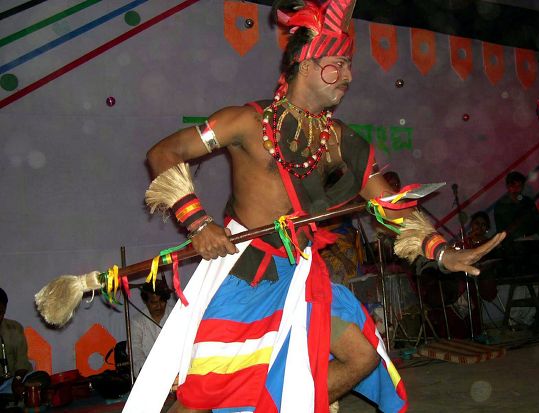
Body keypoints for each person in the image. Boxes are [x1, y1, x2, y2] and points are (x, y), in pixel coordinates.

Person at [125, 1, 505, 412]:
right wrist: (197, 224)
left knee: (362, 357)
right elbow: (164, 153)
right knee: (206, 397)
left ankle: (293, 403)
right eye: (338, 64)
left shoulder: (342, 140)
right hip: (247, 274)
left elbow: (390, 206)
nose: (348, 76)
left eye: (348, 65)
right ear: (305, 64)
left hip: (303, 277)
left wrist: (443, 252)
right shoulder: (246, 122)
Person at [131, 278, 173, 374]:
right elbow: (134, 349)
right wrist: (146, 370)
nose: (158, 306)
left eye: (162, 301)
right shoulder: (137, 321)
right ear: (145, 302)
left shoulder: (176, 314)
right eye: (154, 302)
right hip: (148, 373)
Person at [0, 287, 33, 400]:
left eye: (1, 312)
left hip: (11, 382)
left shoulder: (13, 328)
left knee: (40, 378)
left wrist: (17, 380)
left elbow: (22, 362)